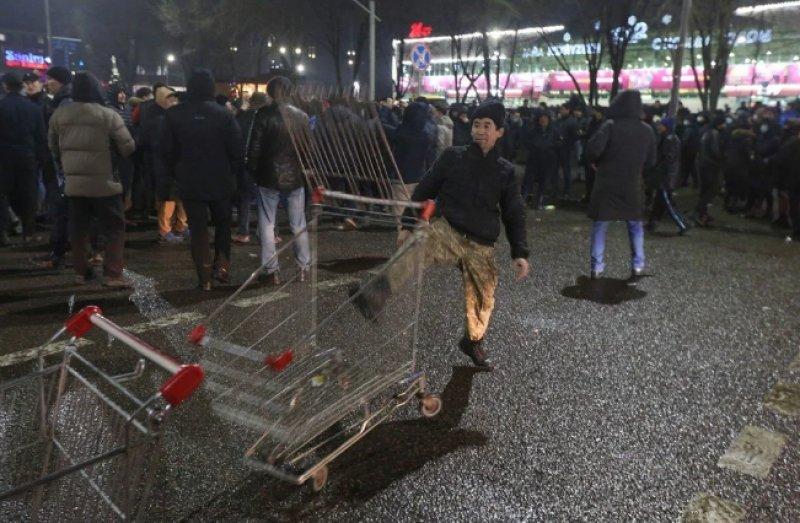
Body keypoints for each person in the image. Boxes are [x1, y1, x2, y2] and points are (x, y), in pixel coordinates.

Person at [350, 101, 530, 368]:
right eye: (476, 125)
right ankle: (375, 294)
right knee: (421, 245)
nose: (480, 130)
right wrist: (407, 225)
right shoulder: (453, 157)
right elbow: (425, 189)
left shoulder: (505, 171)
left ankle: (473, 341)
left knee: (484, 296)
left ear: (500, 131)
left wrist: (520, 252)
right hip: (449, 229)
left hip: (481, 242)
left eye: (487, 126)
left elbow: (514, 211)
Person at [48, 71, 135, 287]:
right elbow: (128, 147)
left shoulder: (60, 115)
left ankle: (81, 272)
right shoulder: (108, 115)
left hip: (74, 185)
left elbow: (53, 148)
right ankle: (112, 274)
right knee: (114, 228)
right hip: (105, 183)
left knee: (78, 229)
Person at [163, 69, 244, 290]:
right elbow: (236, 149)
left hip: (190, 178)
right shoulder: (224, 115)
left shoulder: (174, 114)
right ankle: (222, 265)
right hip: (221, 178)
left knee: (198, 229)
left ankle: (204, 275)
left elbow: (167, 150)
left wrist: (175, 173)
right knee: (223, 224)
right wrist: (233, 172)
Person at [585, 90, 656, 279]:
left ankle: (597, 267)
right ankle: (638, 265)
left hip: (607, 182)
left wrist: (596, 162)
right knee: (635, 225)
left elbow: (593, 150)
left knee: (600, 225)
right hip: (632, 183)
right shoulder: (647, 130)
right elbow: (651, 161)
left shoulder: (610, 126)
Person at [246, 76, 309, 285]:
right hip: (294, 175)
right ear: (290, 92)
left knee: (267, 223)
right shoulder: (301, 116)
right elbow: (307, 148)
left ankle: (271, 269)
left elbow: (254, 147)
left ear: (270, 92)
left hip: (268, 175)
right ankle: (303, 266)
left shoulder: (263, 115)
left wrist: (252, 170)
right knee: (298, 223)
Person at [0, 73, 49, 246]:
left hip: (4, 157)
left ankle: (3, 232)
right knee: (29, 194)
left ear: (5, 86)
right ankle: (29, 233)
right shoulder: (33, 108)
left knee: (2, 194)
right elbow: (41, 136)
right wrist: (43, 159)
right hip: (28, 156)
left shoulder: (2, 106)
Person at [32, 66, 73, 269]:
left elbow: (59, 138)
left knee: (61, 209)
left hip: (62, 167)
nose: (47, 83)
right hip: (64, 165)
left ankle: (58, 254)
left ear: (60, 81)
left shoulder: (64, 103)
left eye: (50, 79)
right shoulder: (61, 101)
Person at [139, 84, 186, 243]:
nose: (174, 102)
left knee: (178, 196)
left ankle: (180, 226)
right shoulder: (159, 119)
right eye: (170, 99)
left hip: (175, 163)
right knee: (168, 198)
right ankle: (165, 231)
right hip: (165, 165)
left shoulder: (169, 116)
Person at [388, 101, 438, 220]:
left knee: (400, 209)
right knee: (419, 209)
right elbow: (431, 156)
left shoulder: (400, 132)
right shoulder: (426, 134)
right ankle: (421, 230)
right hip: (420, 176)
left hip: (400, 176)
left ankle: (402, 230)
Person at [233, 91, 268, 245]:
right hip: (265, 164)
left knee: (245, 198)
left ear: (252, 102)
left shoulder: (242, 117)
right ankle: (269, 233)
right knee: (266, 198)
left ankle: (243, 232)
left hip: (245, 162)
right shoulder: (268, 117)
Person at [646, 117, 688, 234]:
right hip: (665, 175)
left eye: (661, 125)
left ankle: (682, 224)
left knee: (666, 202)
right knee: (659, 201)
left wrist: (657, 169)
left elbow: (668, 159)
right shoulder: (668, 137)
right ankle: (652, 223)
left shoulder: (670, 139)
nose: (659, 127)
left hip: (666, 176)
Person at [692, 114, 726, 226]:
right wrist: (722, 158)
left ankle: (702, 213)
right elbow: (715, 151)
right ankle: (699, 211)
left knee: (705, 189)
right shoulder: (714, 133)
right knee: (712, 189)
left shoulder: (705, 131)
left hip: (702, 163)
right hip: (711, 164)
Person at [523, 111, 559, 209]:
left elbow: (558, 144)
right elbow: (526, 142)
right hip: (534, 160)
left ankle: (539, 202)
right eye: (542, 118)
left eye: (545, 118)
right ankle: (524, 200)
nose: (543, 120)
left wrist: (550, 147)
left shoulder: (554, 131)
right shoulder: (532, 131)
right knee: (528, 181)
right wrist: (535, 146)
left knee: (544, 182)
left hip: (548, 160)